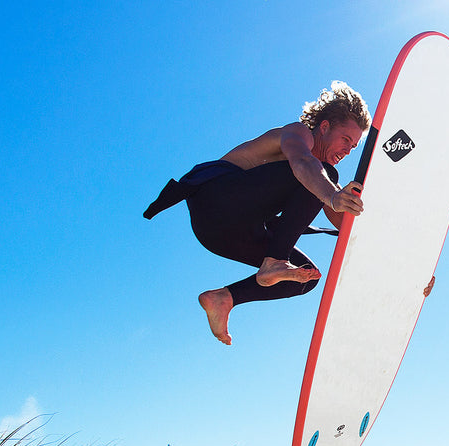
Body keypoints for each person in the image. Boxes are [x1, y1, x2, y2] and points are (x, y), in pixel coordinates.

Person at [143, 81, 370, 345]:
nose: (347, 150)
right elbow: (303, 163)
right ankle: (274, 261)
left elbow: (347, 226)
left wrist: (405, 260)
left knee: (304, 277)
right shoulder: (299, 135)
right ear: (324, 126)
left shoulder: (320, 181)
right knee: (323, 174)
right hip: (215, 200)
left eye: (353, 146)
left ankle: (223, 298)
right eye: (345, 139)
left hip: (219, 235)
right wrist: (332, 195)